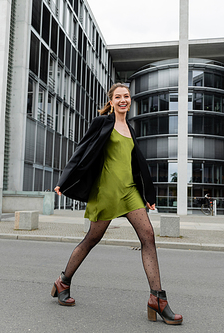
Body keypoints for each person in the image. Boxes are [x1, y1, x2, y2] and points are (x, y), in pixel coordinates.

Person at [52, 83, 183, 325]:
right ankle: (63, 281)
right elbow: (81, 151)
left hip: (130, 192)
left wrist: (147, 195)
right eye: (118, 97)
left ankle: (158, 298)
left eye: (127, 96)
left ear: (130, 100)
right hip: (106, 192)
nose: (123, 100)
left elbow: (135, 165)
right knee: (92, 239)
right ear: (111, 101)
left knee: (148, 237)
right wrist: (64, 179)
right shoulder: (102, 122)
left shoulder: (130, 129)